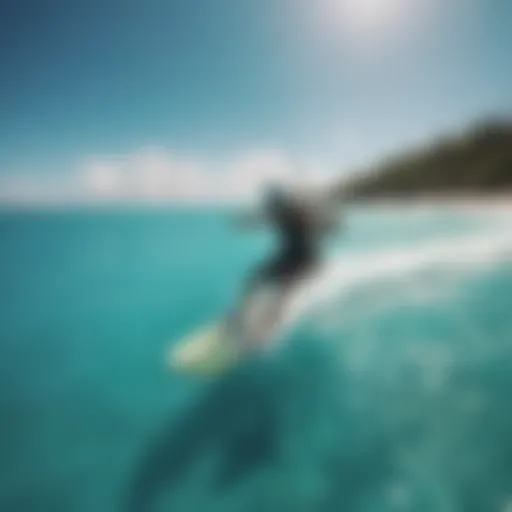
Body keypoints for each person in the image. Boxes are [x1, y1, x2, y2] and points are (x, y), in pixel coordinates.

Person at [230, 183, 341, 345]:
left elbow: (327, 224)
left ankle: (266, 331)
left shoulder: (300, 213)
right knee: (253, 280)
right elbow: (260, 217)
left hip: (307, 261)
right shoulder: (276, 212)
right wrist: (243, 221)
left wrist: (327, 220)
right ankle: (237, 319)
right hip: (287, 258)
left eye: (276, 206)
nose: (274, 210)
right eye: (272, 206)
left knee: (282, 294)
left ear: (284, 203)